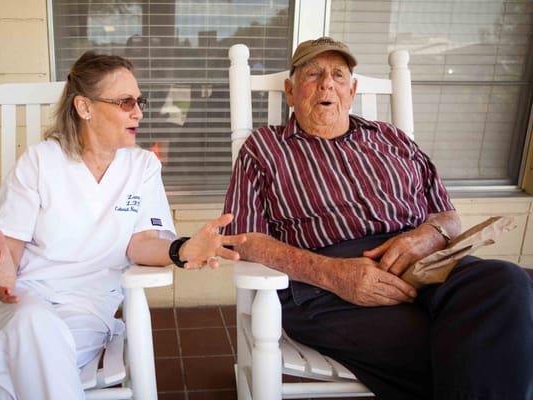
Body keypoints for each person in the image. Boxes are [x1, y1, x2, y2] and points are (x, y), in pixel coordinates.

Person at [223, 37, 533, 400]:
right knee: (479, 348)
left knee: (505, 282)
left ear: (351, 91)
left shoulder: (392, 138)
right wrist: (332, 274)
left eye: (338, 75)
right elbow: (243, 238)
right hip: (330, 286)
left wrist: (427, 235)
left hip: (425, 259)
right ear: (290, 92)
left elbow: (448, 216)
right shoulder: (264, 148)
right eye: (313, 73)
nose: (327, 83)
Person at [0, 50, 246, 400]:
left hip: (85, 308)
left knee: (33, 355)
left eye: (140, 101)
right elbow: (8, 249)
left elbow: (140, 244)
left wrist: (183, 249)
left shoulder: (142, 166)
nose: (139, 112)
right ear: (84, 108)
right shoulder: (40, 162)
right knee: (33, 325)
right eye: (125, 102)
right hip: (17, 298)